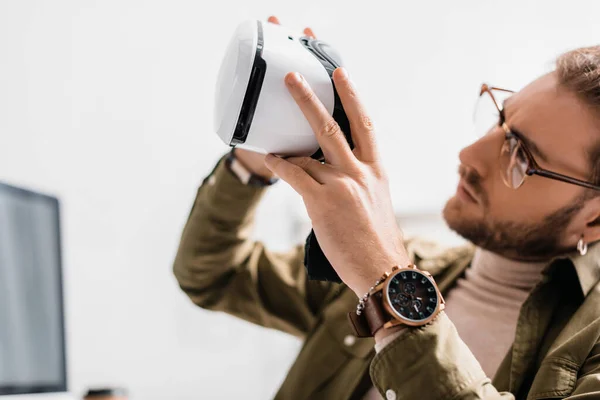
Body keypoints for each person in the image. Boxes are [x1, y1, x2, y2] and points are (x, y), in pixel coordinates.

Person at [173, 16, 600, 400]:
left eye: (520, 156)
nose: (469, 154)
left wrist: (389, 288)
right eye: (498, 119)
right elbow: (212, 272)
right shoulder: (412, 261)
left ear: (595, 218)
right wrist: (271, 142)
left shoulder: (589, 349)